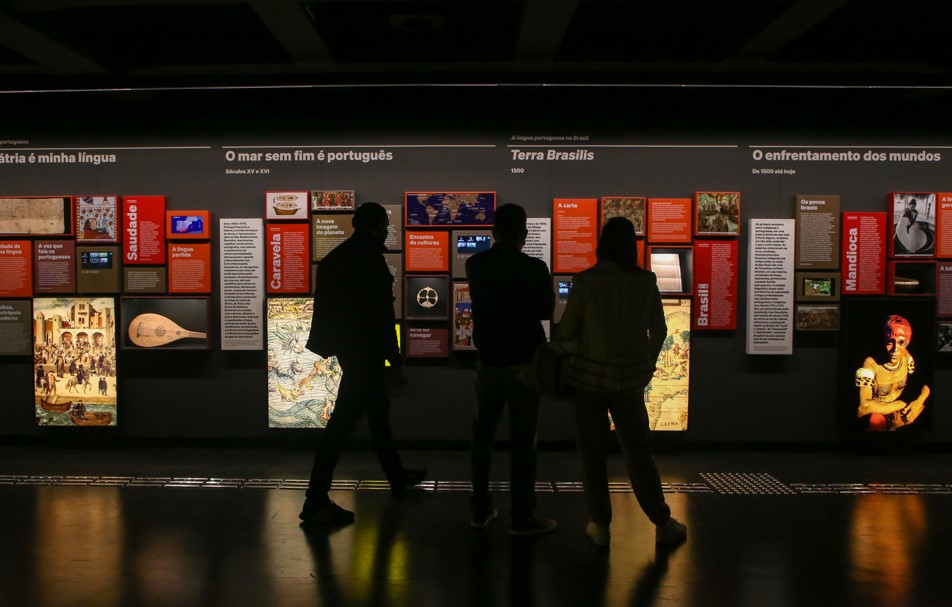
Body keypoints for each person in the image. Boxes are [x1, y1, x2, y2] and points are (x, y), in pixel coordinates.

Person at [557, 217, 686, 548]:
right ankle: (662, 521)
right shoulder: (645, 281)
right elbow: (659, 331)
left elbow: (567, 331)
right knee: (639, 453)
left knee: (592, 455)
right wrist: (646, 366)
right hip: (629, 382)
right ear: (631, 245)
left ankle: (600, 526)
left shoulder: (585, 281)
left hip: (586, 382)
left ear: (602, 243)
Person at [301, 202, 426, 525]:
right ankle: (315, 499)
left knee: (377, 413)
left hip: (349, 350)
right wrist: (396, 362)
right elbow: (382, 317)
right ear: (380, 225)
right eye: (385, 224)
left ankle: (397, 476)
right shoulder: (371, 259)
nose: (387, 229)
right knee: (342, 424)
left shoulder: (336, 258)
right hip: (366, 352)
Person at [465, 203, 557, 536]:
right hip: (525, 363)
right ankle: (522, 516)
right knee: (523, 442)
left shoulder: (475, 264)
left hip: (489, 360)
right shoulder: (534, 267)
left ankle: (480, 509)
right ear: (524, 233)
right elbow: (546, 311)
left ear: (494, 231)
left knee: (482, 438)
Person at [855, 315, 929, 431]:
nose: (895, 349)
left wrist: (918, 402)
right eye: (890, 342)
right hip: (879, 414)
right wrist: (899, 404)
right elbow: (863, 408)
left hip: (901, 415)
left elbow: (925, 385)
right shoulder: (870, 364)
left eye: (901, 342)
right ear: (884, 340)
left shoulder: (907, 358)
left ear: (907, 342)